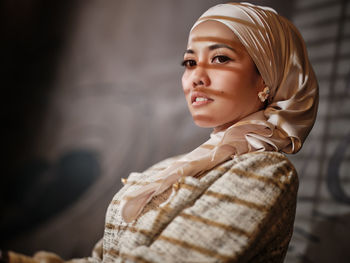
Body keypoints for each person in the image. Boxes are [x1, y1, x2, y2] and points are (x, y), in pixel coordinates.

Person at [3, 2, 318, 263]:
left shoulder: (266, 172)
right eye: (190, 62)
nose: (196, 77)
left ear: (267, 79)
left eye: (221, 58)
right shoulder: (172, 169)